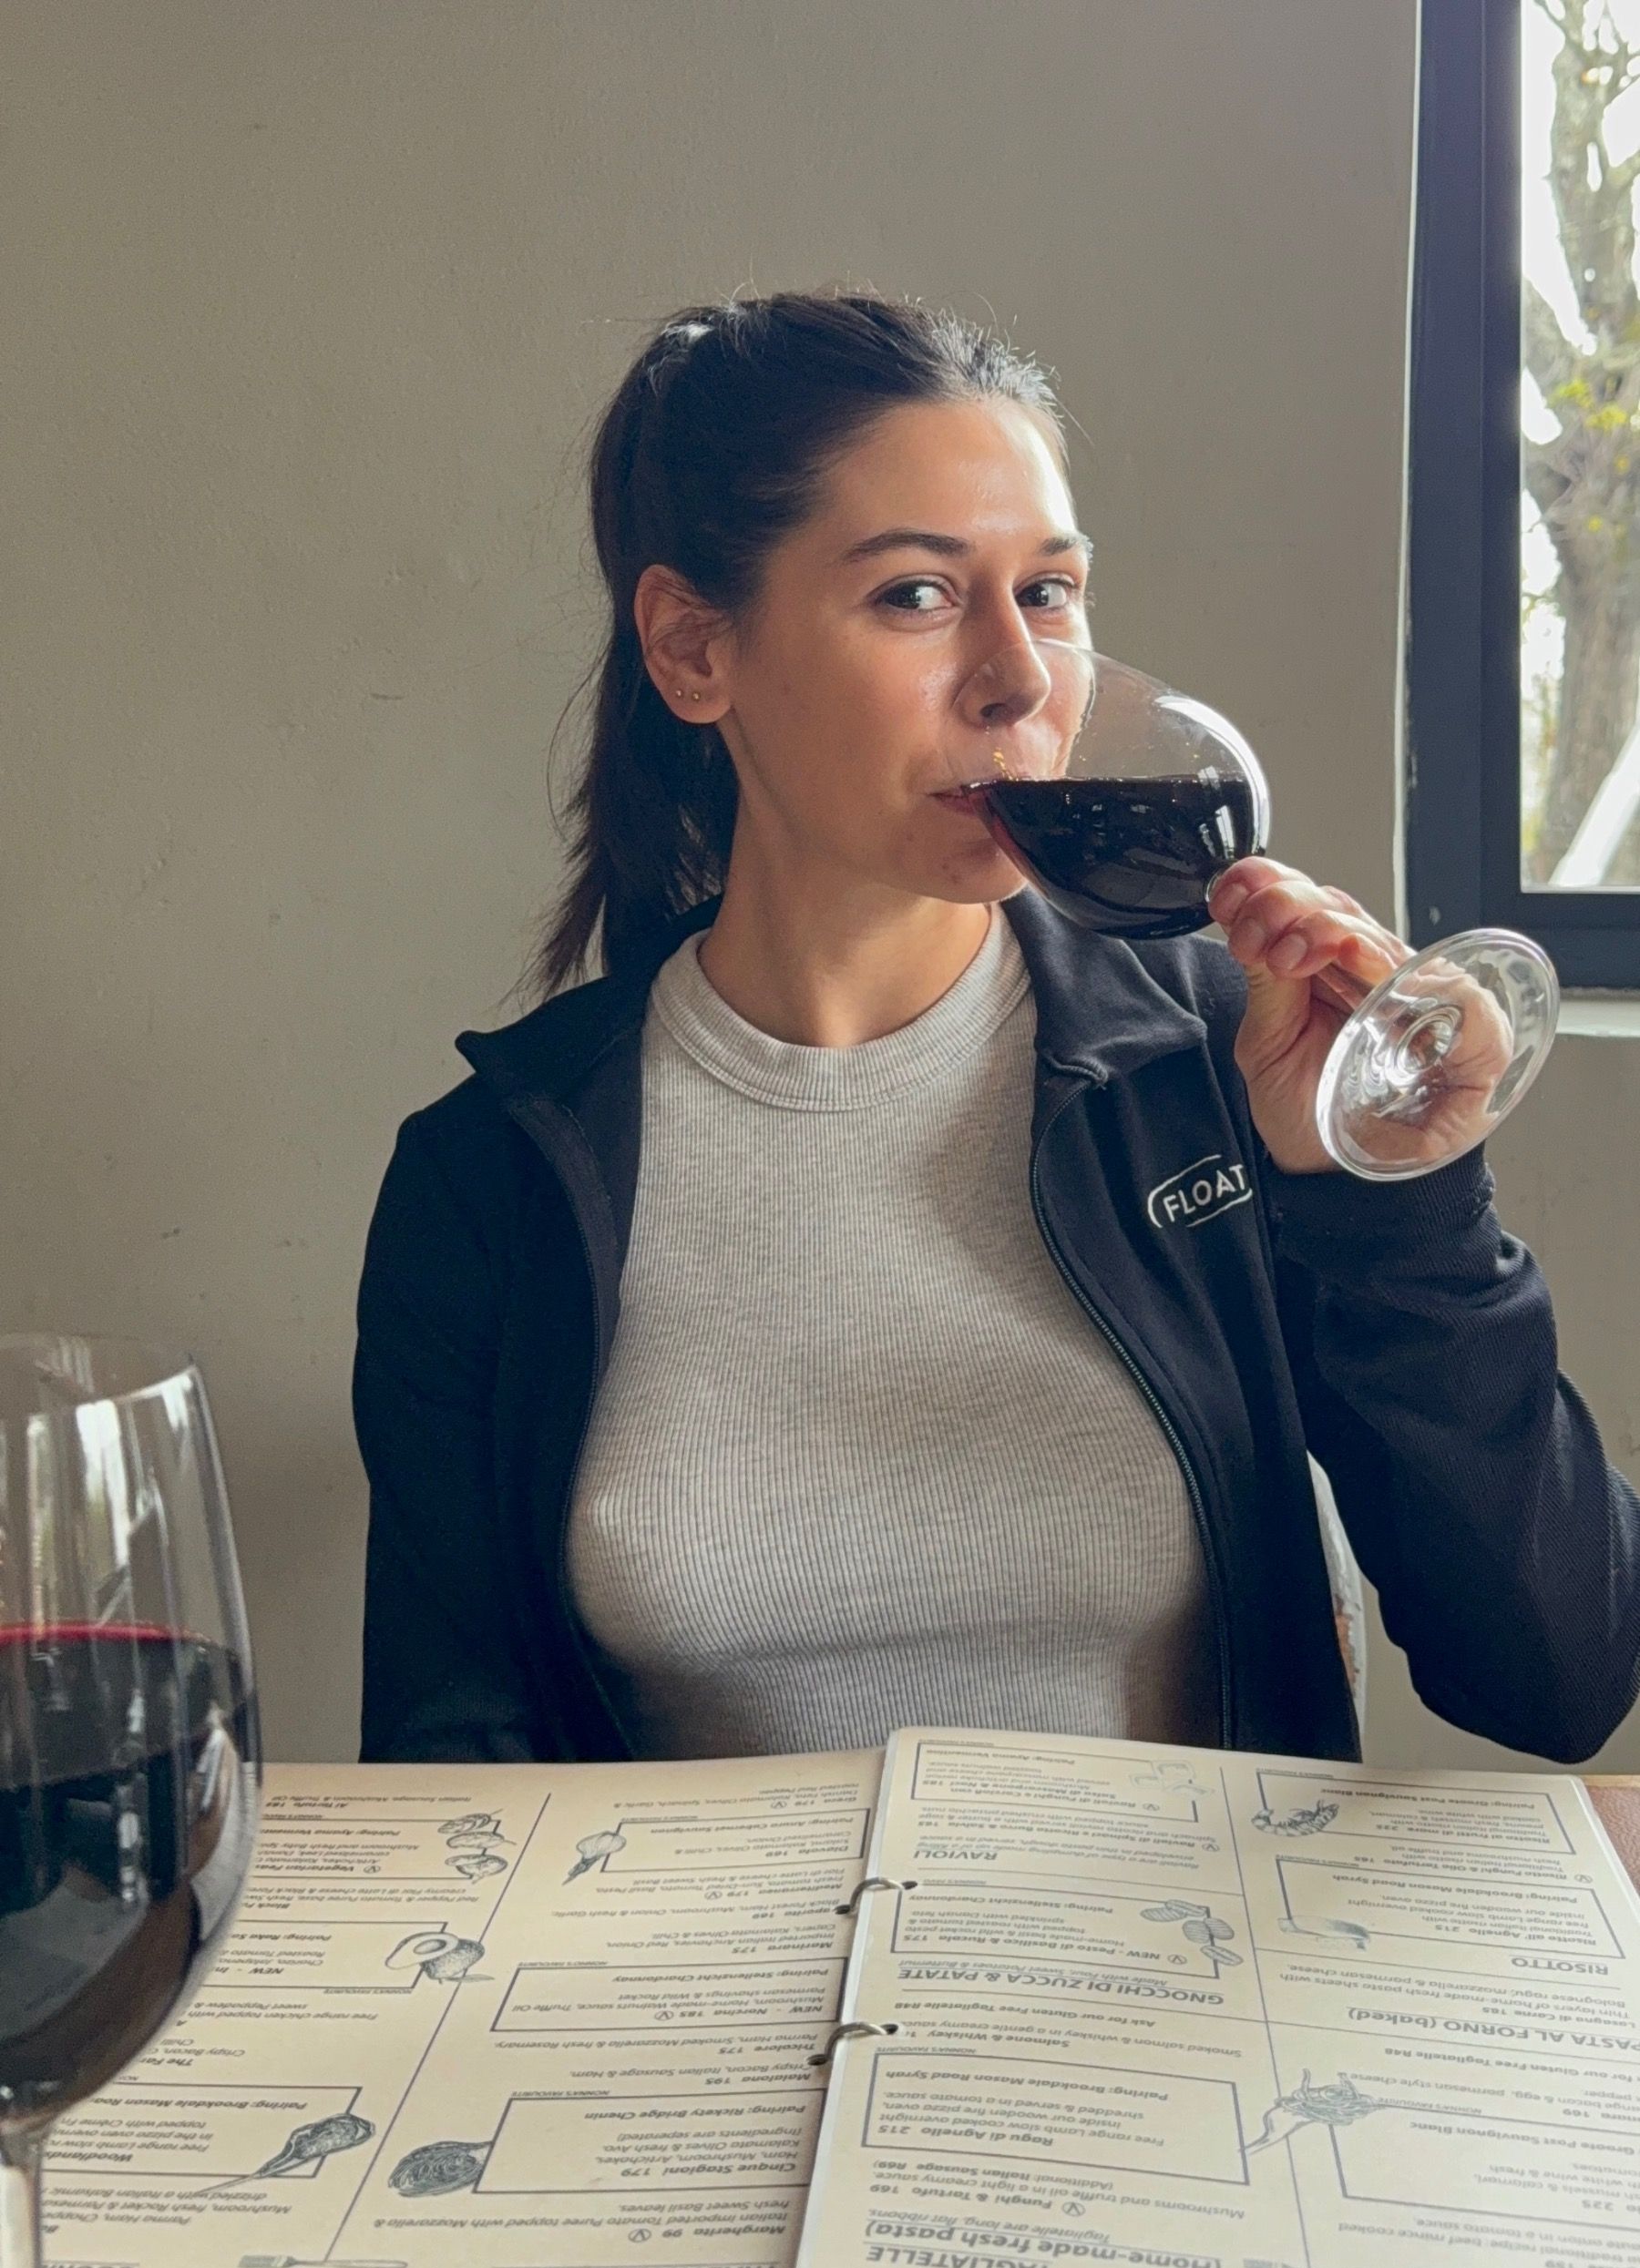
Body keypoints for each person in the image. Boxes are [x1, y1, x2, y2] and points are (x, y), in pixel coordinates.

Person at [353, 289, 1640, 1770]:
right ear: (693, 649)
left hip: (1183, 1925)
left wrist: (1396, 1199)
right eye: (916, 594)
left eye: (1050, 592)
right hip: (699, 1934)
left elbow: (1557, 1675)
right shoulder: (495, 1181)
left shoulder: (1230, 1068)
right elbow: (454, 1776)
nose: (1021, 679)